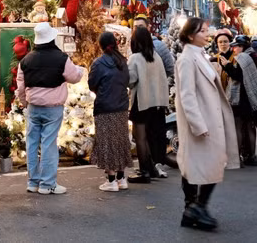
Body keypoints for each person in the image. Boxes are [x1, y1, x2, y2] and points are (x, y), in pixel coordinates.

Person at [175, 17, 239, 231]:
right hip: (201, 123)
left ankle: (194, 208)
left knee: (204, 165)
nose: (207, 34)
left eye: (206, 30)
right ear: (191, 34)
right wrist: (198, 125)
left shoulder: (201, 55)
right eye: (203, 31)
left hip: (211, 119)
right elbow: (187, 95)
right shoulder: (186, 59)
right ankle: (195, 207)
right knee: (199, 166)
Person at [17, 22, 85, 195]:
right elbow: (74, 77)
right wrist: (80, 70)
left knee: (32, 143)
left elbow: (20, 85)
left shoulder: (26, 60)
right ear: (52, 38)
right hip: (52, 108)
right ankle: (47, 184)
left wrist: (24, 102)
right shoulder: (61, 58)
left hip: (33, 107)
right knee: (48, 144)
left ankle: (33, 182)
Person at [88, 32, 133, 192]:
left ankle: (111, 180)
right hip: (121, 107)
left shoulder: (99, 63)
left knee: (107, 142)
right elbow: (127, 81)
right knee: (120, 140)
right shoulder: (123, 62)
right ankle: (122, 178)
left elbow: (91, 83)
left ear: (100, 45)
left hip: (104, 107)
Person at [127, 26, 170, 183]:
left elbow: (130, 80)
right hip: (158, 102)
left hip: (142, 101)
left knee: (140, 137)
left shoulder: (135, 58)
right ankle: (151, 168)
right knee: (152, 135)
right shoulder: (156, 56)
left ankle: (144, 170)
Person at [220, 36, 257, 167]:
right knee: (250, 127)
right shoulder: (252, 55)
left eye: (236, 46)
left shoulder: (244, 57)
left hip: (241, 98)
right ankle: (251, 157)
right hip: (250, 97)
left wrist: (227, 66)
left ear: (242, 46)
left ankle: (238, 158)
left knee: (238, 126)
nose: (234, 49)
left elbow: (238, 76)